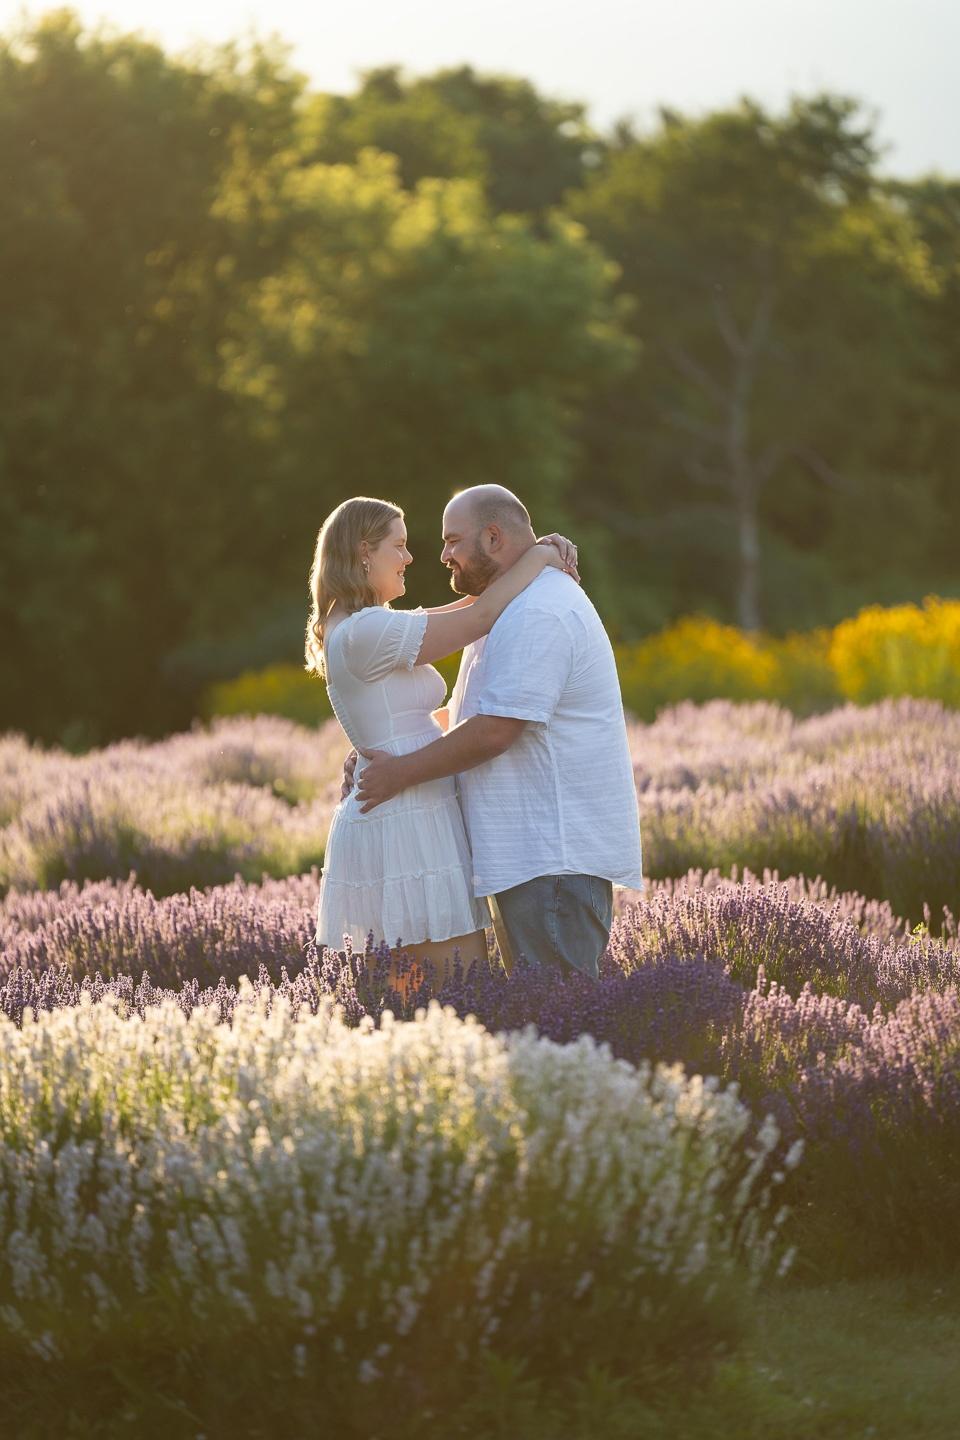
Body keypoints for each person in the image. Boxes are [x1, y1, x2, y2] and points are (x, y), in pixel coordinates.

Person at [352, 484, 643, 982]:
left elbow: (495, 732)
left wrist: (398, 773)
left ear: (492, 537)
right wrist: (385, 750)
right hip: (529, 862)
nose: (442, 555)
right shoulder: (507, 606)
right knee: (544, 1025)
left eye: (452, 541)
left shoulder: (538, 612)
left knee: (563, 1022)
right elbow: (471, 714)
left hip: (552, 864)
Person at [306, 495, 579, 997]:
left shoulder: (364, 625)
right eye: (400, 546)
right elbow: (481, 618)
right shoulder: (367, 631)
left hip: (409, 809)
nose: (410, 559)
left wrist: (532, 555)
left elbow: (470, 607)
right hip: (404, 820)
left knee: (421, 1000)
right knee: (456, 992)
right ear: (365, 551)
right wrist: (539, 558)